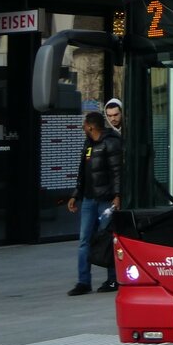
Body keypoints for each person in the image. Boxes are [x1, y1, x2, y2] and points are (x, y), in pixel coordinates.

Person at [67, 111, 122, 295]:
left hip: (106, 200)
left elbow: (117, 171)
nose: (83, 128)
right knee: (84, 240)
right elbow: (82, 173)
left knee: (108, 239)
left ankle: (113, 279)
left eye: (84, 125)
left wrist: (117, 195)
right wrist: (76, 195)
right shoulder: (88, 144)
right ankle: (84, 281)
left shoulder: (111, 142)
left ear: (91, 126)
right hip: (89, 200)